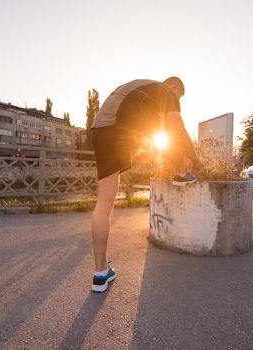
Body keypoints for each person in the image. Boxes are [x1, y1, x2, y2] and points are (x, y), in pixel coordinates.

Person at [90, 76, 202, 292]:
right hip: (119, 130)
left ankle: (100, 273)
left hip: (100, 129)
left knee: (104, 203)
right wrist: (195, 160)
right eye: (179, 97)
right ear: (175, 88)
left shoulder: (143, 90)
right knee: (172, 131)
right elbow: (177, 128)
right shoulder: (167, 92)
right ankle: (180, 173)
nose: (178, 102)